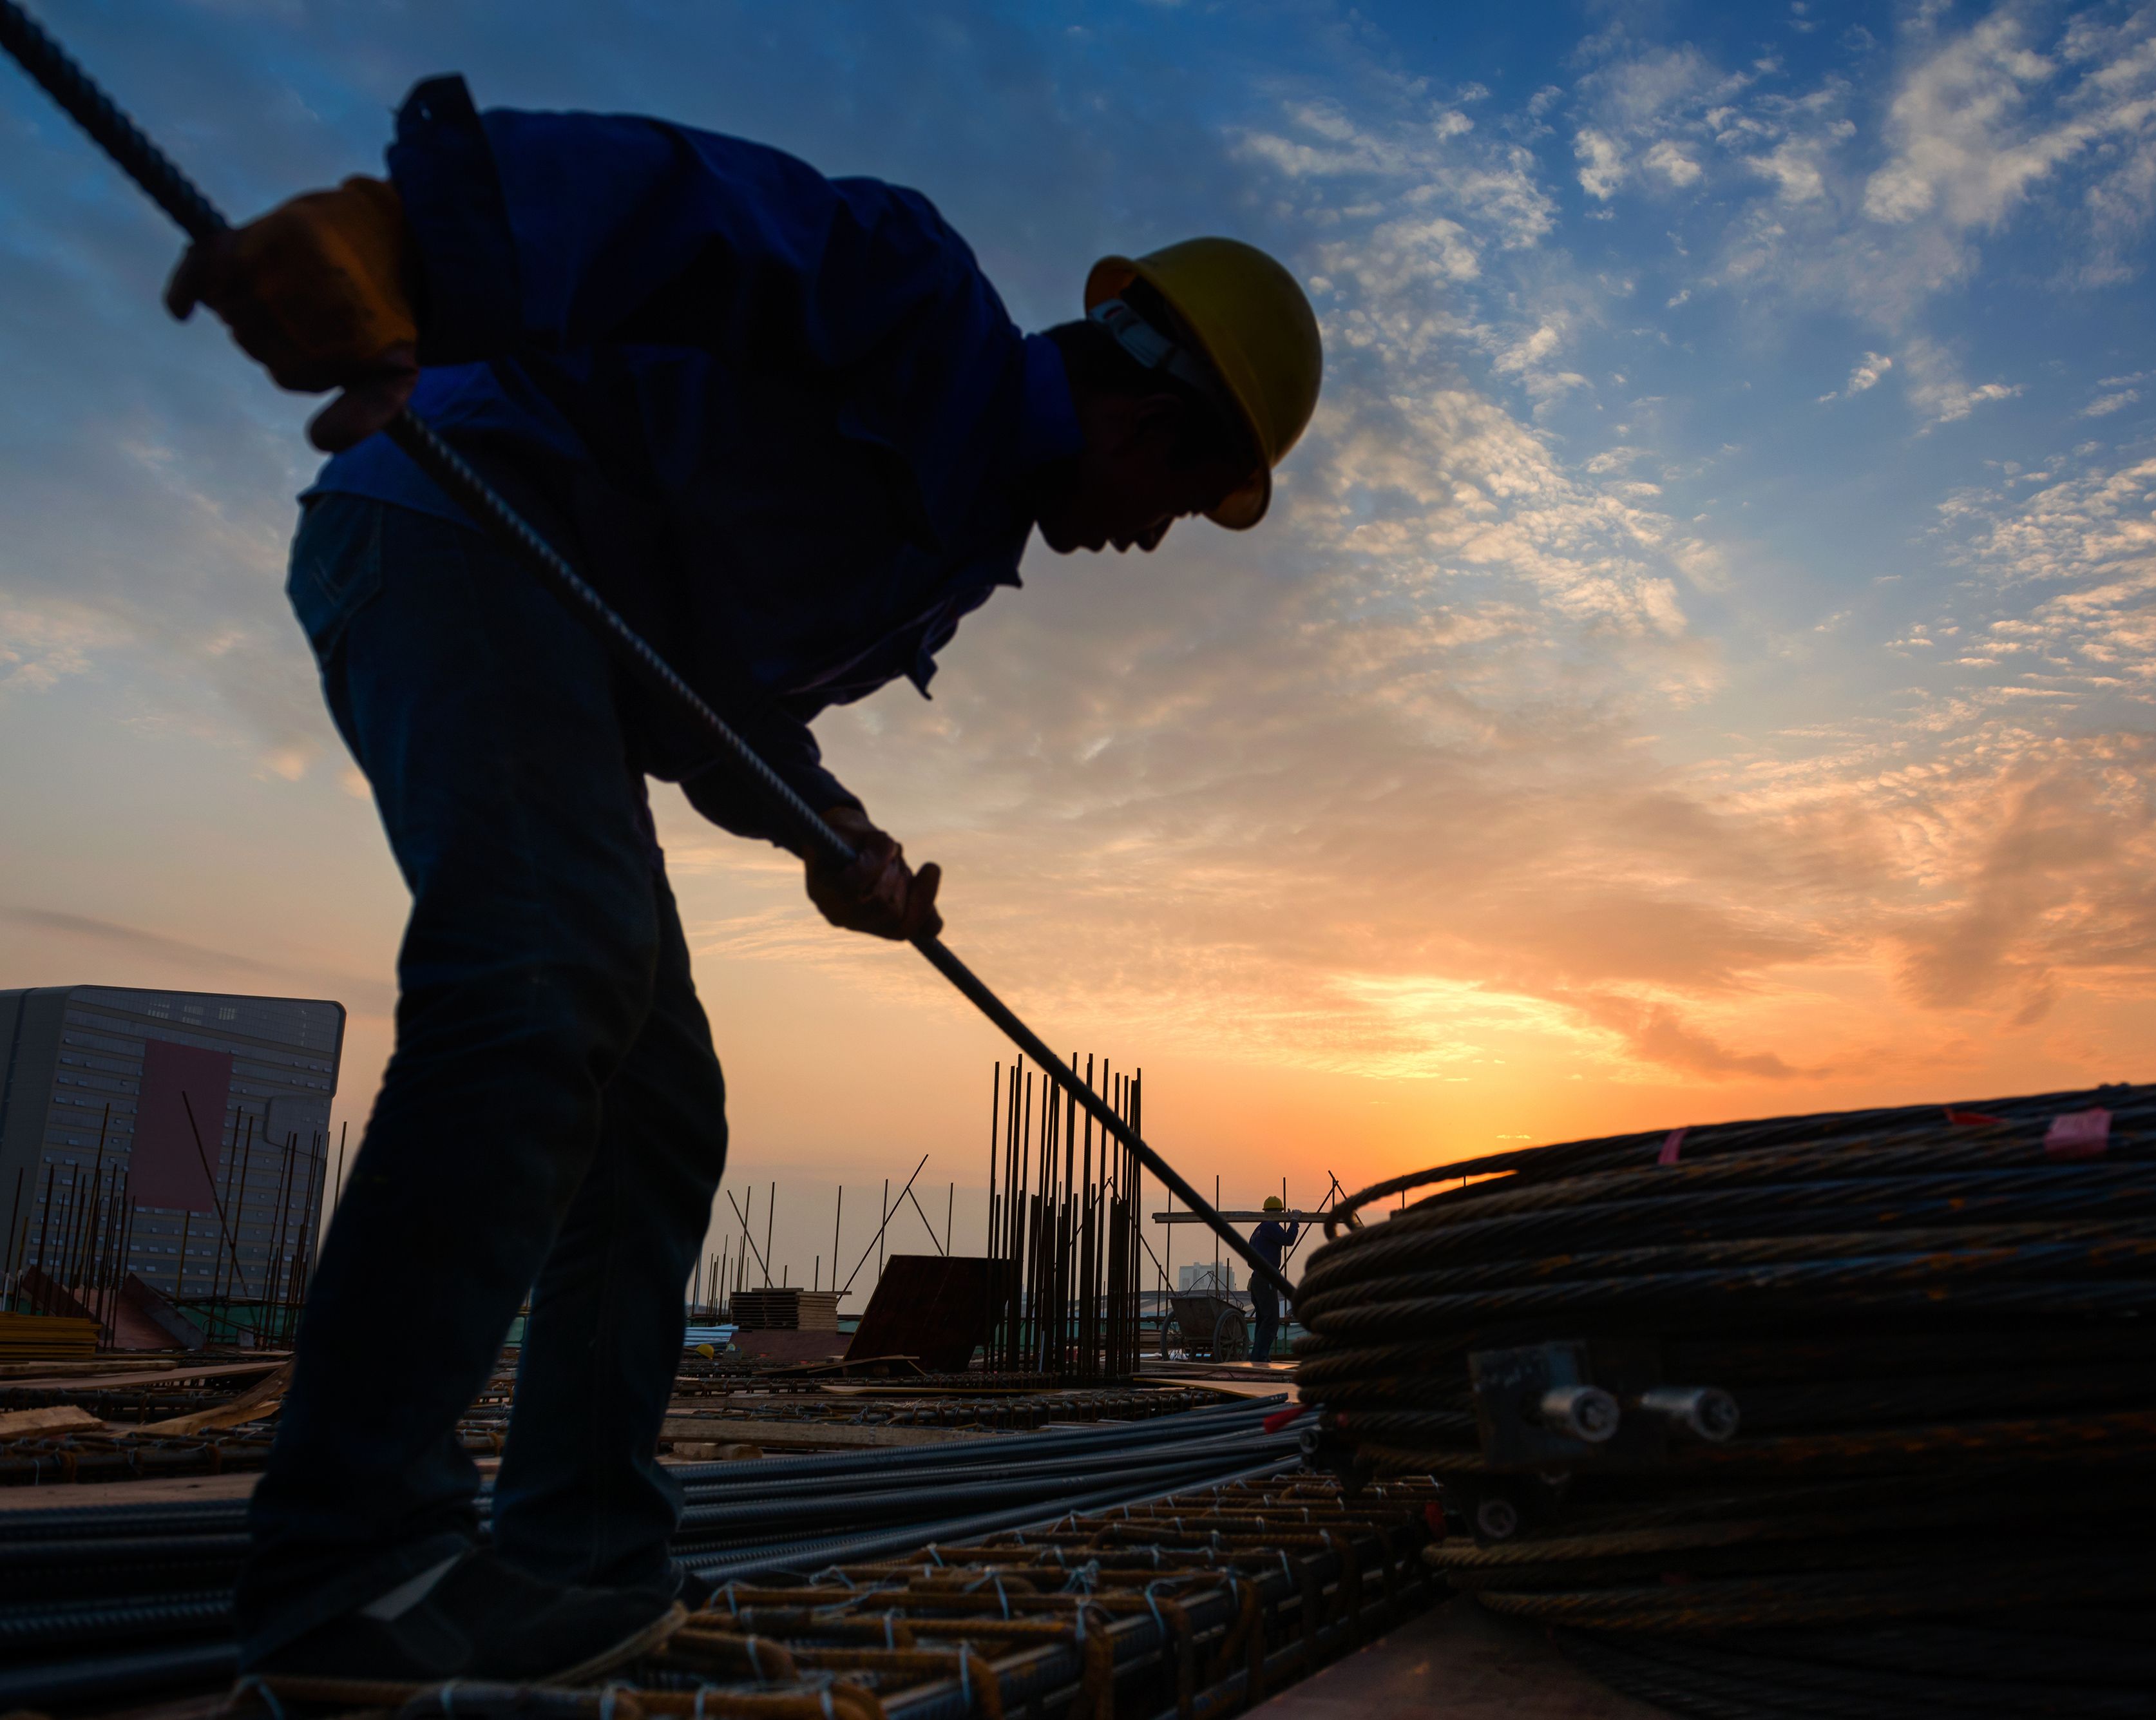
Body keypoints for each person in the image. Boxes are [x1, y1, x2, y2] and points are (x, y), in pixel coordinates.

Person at [164, 76, 1321, 1683]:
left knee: (660, 1104)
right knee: (548, 967)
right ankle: (352, 1565)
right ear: (1150, 422)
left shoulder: (949, 537)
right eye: (1186, 503)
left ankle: (580, 1551)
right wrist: (407, 236)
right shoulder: (919, 312)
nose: (1157, 538)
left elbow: (711, 697)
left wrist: (832, 839)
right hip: (454, 532)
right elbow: (682, 209)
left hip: (558, 631)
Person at [1248, 1195, 1300, 1364]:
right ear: (1279, 1212)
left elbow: (1250, 1260)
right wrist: (1294, 1222)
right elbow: (1288, 1240)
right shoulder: (1271, 1226)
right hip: (1266, 1279)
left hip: (1257, 1279)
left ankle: (1258, 1357)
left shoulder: (1258, 1231)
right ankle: (1261, 1357)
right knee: (1271, 1320)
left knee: (1263, 1319)